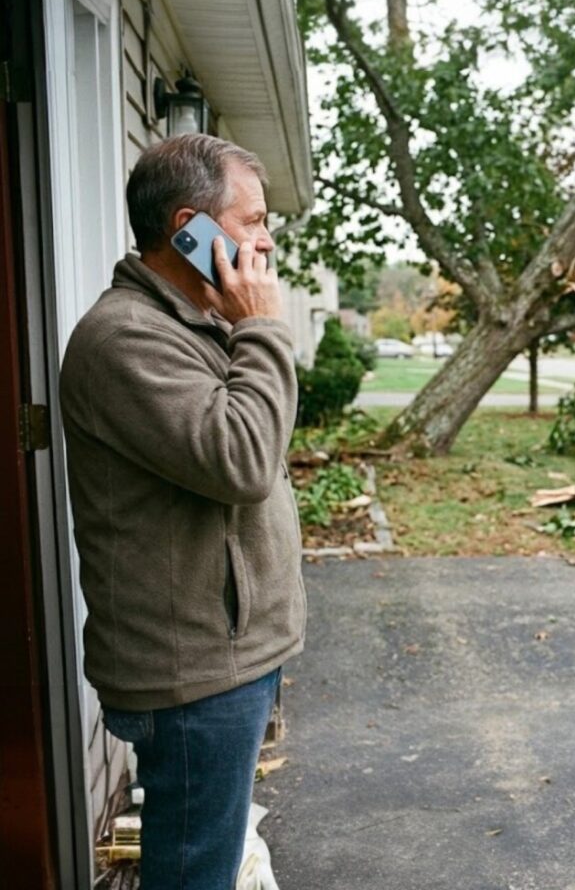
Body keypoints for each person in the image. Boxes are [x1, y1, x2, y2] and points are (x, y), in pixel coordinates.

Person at [60, 134, 306, 889]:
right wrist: (262, 326)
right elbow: (242, 460)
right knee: (193, 873)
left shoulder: (194, 321)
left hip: (229, 657)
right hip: (193, 673)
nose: (266, 240)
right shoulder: (125, 339)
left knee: (212, 856)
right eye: (253, 220)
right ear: (189, 228)